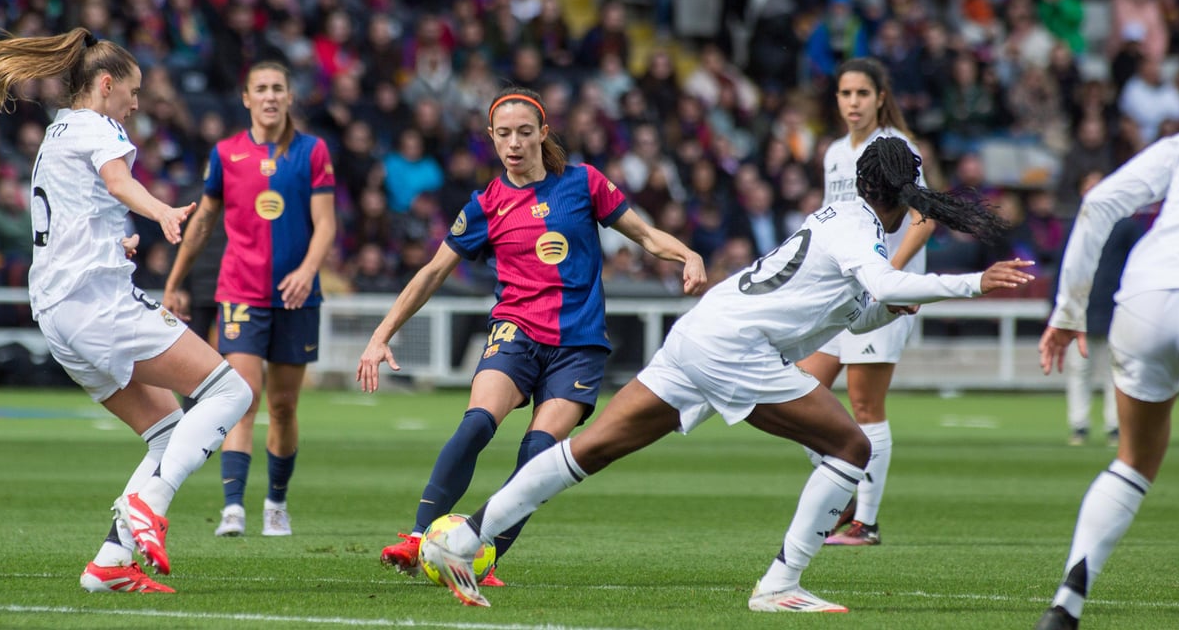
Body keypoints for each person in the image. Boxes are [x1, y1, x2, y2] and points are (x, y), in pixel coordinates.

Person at [418, 136, 1033, 610]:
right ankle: (780, 583)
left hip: (702, 332)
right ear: (898, 195)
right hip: (735, 349)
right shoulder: (857, 228)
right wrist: (974, 282)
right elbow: (881, 280)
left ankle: (463, 540)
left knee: (589, 450)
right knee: (850, 445)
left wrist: (887, 308)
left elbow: (855, 306)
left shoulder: (843, 219)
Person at [357, 86, 707, 586]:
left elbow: (648, 236)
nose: (515, 144)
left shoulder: (584, 183)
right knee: (477, 423)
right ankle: (417, 539)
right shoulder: (486, 204)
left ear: (543, 134)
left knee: (538, 452)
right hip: (516, 332)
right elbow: (433, 272)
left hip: (579, 345)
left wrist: (688, 255)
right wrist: (381, 335)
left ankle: (485, 557)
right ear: (491, 139)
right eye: (504, 135)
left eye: (525, 133)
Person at [0, 28, 251, 593]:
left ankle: (109, 562)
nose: (135, 103)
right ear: (105, 85)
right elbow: (119, 180)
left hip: (57, 312)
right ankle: (150, 505)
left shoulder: (56, 132)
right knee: (231, 392)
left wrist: (115, 239)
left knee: (167, 429)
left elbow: (79, 212)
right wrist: (162, 212)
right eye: (132, 92)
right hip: (97, 303)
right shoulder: (100, 127)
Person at [163, 61, 336, 538]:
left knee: (283, 405)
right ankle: (233, 507)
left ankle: (276, 503)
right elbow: (202, 223)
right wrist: (176, 278)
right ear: (246, 98)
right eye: (261, 88)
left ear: (290, 96)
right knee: (243, 396)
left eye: (278, 87)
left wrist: (306, 270)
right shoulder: (225, 154)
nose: (270, 96)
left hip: (297, 296)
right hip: (240, 291)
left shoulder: (313, 151)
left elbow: (326, 224)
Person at [1035, 133, 1179, 630]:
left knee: (1135, 462)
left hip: (1144, 299)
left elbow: (1096, 202)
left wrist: (1068, 308)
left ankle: (1067, 604)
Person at [797, 57, 934, 547]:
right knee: (797, 392)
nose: (852, 102)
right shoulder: (834, 153)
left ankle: (865, 522)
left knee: (863, 403)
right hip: (839, 294)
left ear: (880, 97)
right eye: (844, 93)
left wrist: (890, 273)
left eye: (861, 93)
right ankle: (849, 489)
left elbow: (925, 216)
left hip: (883, 294)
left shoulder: (897, 148)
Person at [1058, 171, 1148, 447]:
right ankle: (1079, 425)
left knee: (1115, 371)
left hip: (1116, 306)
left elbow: (1140, 268)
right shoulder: (1075, 224)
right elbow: (1065, 268)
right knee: (1079, 369)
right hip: (1081, 307)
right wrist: (1057, 308)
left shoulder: (1126, 226)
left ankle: (1115, 426)